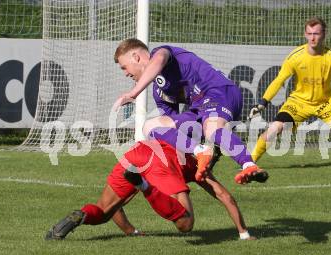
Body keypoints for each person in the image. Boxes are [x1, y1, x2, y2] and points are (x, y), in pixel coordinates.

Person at [112, 39, 268, 184]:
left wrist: (133, 94)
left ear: (136, 57)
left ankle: (248, 165)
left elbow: (159, 60)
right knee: (150, 127)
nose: (125, 73)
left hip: (219, 92)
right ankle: (202, 151)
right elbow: (174, 132)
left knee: (212, 129)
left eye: (124, 67)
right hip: (200, 109)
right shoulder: (159, 91)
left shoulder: (161, 52)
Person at [45, 139, 255, 240]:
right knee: (186, 223)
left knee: (103, 212)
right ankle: (143, 185)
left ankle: (80, 215)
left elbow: (118, 206)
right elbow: (223, 195)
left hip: (137, 152)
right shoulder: (194, 163)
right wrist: (243, 233)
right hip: (161, 161)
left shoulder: (180, 136)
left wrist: (131, 231)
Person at [249, 17, 331, 173]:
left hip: (326, 103)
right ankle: (248, 164)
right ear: (305, 34)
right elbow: (278, 80)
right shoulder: (295, 57)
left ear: (324, 34)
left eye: (316, 33)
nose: (312, 37)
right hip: (298, 103)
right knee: (274, 128)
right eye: (309, 33)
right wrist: (262, 103)